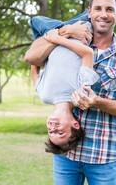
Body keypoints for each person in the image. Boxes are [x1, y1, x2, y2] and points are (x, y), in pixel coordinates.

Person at [24, 0, 116, 185]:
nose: (104, 14)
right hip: (66, 157)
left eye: (110, 9)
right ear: (89, 12)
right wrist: (64, 31)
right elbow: (32, 56)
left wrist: (97, 101)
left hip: (103, 157)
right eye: (98, 8)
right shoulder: (70, 38)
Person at [26, 21, 99, 154]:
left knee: (35, 20)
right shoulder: (81, 94)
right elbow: (88, 54)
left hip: (54, 33)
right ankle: (65, 28)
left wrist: (56, 37)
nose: (53, 128)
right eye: (59, 133)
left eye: (50, 132)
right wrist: (59, 37)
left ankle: (63, 28)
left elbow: (33, 64)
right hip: (80, 26)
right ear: (75, 125)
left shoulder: (44, 95)